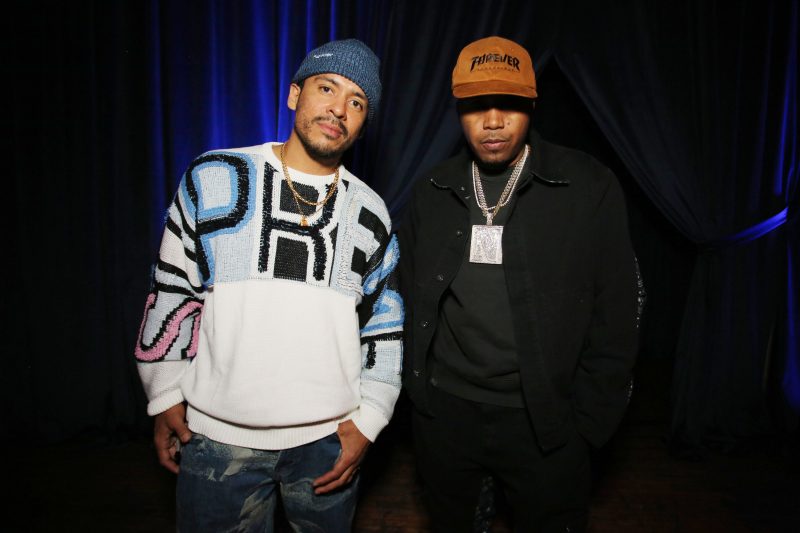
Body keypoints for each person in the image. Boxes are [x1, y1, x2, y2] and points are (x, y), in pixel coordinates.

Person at [134, 38, 403, 531]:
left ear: (364, 123)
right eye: (327, 88)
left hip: (328, 442)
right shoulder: (215, 176)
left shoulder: (371, 212)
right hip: (215, 437)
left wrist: (370, 421)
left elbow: (385, 324)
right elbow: (171, 288)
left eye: (357, 102)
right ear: (294, 94)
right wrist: (165, 393)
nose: (339, 109)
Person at [399, 36, 641, 532]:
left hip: (547, 420)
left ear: (531, 103)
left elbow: (619, 307)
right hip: (446, 416)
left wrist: (589, 424)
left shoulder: (587, 185)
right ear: (458, 110)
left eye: (508, 103)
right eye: (476, 106)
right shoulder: (432, 190)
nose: (493, 121)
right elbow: (403, 297)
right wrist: (419, 401)